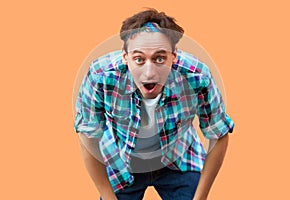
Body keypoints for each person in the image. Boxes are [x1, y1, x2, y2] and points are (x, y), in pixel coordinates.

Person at [74, 8, 234, 200]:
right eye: (139, 59)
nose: (149, 73)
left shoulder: (196, 76)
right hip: (122, 162)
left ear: (174, 56)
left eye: (160, 58)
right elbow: (87, 136)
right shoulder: (101, 76)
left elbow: (219, 134)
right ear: (125, 57)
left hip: (178, 159)